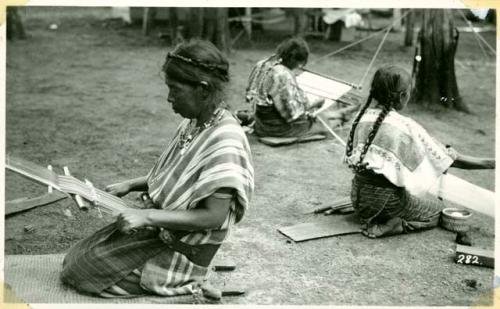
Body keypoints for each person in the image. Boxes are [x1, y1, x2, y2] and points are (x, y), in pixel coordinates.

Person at [60, 39, 254, 300]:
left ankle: (187, 284)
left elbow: (213, 217)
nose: (169, 98)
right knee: (75, 257)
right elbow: (176, 175)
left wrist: (148, 217)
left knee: (82, 273)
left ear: (203, 90)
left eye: (175, 89)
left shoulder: (225, 139)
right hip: (163, 229)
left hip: (184, 245)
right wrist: (130, 184)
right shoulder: (196, 124)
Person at [344, 64, 495, 239]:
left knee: (400, 193)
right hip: (385, 203)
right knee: (437, 211)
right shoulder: (405, 126)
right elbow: (447, 159)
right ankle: (397, 224)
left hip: (358, 198)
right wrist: (491, 163)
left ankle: (384, 216)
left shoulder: (360, 118)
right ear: (402, 96)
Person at [244, 37, 326, 138]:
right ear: (292, 59)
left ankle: (341, 114)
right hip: (276, 129)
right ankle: (341, 115)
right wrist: (314, 104)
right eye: (299, 63)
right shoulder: (283, 75)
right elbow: (292, 114)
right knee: (318, 125)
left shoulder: (262, 64)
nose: (299, 67)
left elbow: (249, 96)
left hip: (259, 122)